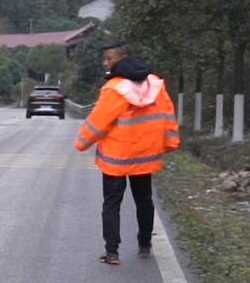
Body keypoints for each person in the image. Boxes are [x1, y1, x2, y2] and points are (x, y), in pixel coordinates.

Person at [75, 43, 181, 265]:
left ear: (122, 58)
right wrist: (170, 142)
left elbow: (98, 122)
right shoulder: (155, 84)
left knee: (112, 203)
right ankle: (145, 245)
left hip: (117, 157)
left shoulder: (114, 88)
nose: (106, 63)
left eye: (109, 59)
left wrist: (81, 142)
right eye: (104, 59)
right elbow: (167, 114)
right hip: (145, 155)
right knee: (144, 200)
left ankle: (112, 252)